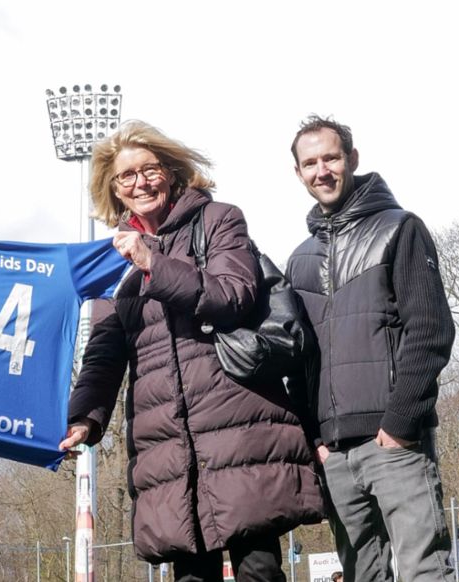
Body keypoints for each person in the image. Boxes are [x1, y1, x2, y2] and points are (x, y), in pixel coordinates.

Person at [60, 120, 323, 582]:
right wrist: (84, 418)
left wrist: (152, 263)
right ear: (114, 190)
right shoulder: (111, 260)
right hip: (167, 447)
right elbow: (104, 353)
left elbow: (233, 294)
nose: (141, 183)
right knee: (190, 575)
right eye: (127, 176)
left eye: (150, 169)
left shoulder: (218, 220)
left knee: (258, 570)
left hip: (240, 432)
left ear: (171, 171)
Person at [284, 116, 456, 582]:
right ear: (298, 173)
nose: (322, 171)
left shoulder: (400, 229)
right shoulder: (298, 260)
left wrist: (400, 424)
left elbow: (430, 331)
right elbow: (299, 362)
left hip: (396, 442)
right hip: (335, 455)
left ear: (353, 159)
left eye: (331, 158)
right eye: (310, 163)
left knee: (425, 571)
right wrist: (315, 440)